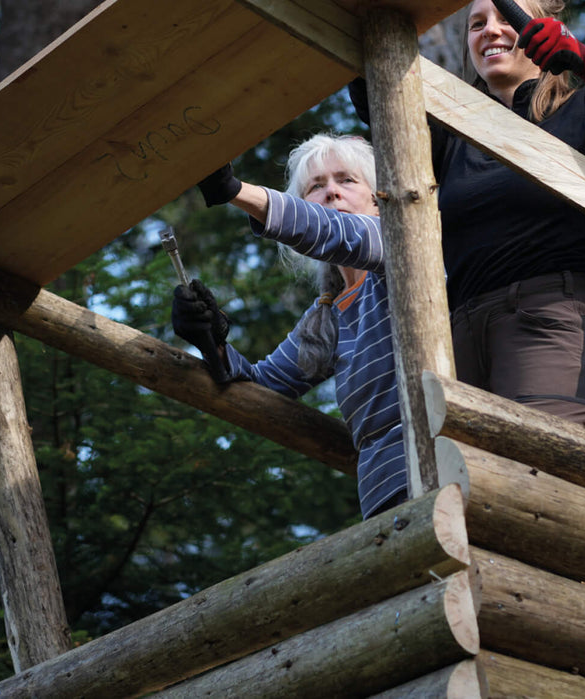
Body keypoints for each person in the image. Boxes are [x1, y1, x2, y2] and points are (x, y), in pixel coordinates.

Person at [351, 0, 585, 433]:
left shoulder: (582, 111)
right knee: (470, 494)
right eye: (476, 24)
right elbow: (375, 95)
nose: (489, 30)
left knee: (543, 482)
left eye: (505, 19)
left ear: (541, 32)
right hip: (456, 333)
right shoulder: (450, 134)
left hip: (546, 321)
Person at [171, 134, 410, 519]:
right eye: (316, 187)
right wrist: (209, 338)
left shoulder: (403, 252)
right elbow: (260, 388)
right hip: (384, 499)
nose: (332, 193)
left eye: (347, 180)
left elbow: (340, 233)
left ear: (378, 200)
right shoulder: (326, 315)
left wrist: (232, 191)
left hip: (449, 470)